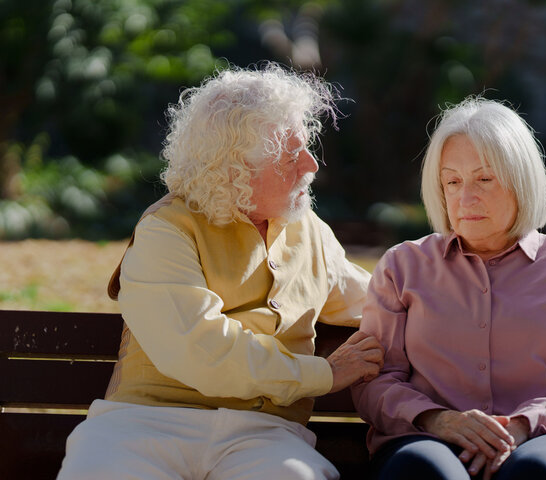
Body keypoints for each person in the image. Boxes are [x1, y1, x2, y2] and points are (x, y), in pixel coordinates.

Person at [57, 63, 384, 480]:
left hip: (265, 436)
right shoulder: (166, 228)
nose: (310, 165)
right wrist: (324, 373)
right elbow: (201, 349)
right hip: (143, 425)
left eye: (307, 147)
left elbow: (379, 300)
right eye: (290, 153)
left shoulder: (311, 232)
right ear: (235, 167)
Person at [351, 96, 546, 480]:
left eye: (484, 178)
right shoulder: (403, 267)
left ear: (520, 180)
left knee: (536, 471)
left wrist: (522, 425)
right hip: (431, 439)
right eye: (452, 181)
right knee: (425, 471)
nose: (466, 198)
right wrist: (437, 420)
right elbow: (377, 381)